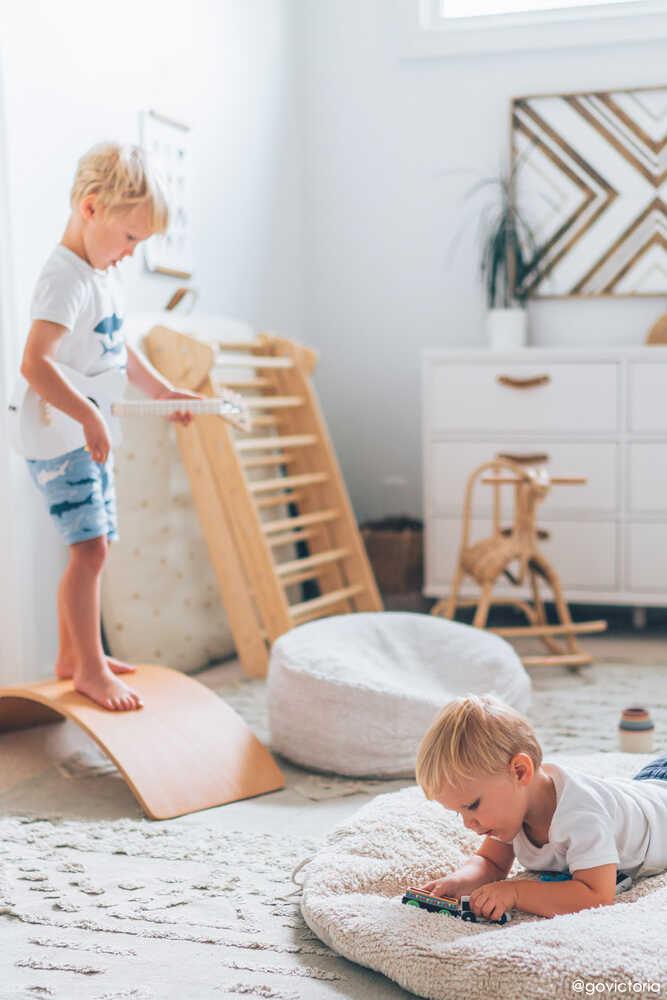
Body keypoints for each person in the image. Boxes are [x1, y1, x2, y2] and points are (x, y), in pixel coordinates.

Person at [20, 142, 200, 712]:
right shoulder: (64, 278)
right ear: (91, 208)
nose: (130, 253)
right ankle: (90, 669)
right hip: (59, 433)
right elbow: (35, 363)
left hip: (85, 433)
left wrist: (162, 391)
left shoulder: (101, 275)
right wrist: (89, 415)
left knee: (92, 547)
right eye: (129, 238)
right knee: (89, 549)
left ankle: (75, 660)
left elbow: (118, 352)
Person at [415, 694, 667, 919]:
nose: (468, 823)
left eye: (472, 805)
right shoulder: (512, 811)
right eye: (459, 812)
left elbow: (596, 894)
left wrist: (516, 892)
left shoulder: (581, 816)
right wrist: (457, 882)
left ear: (519, 771)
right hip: (643, 790)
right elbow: (491, 863)